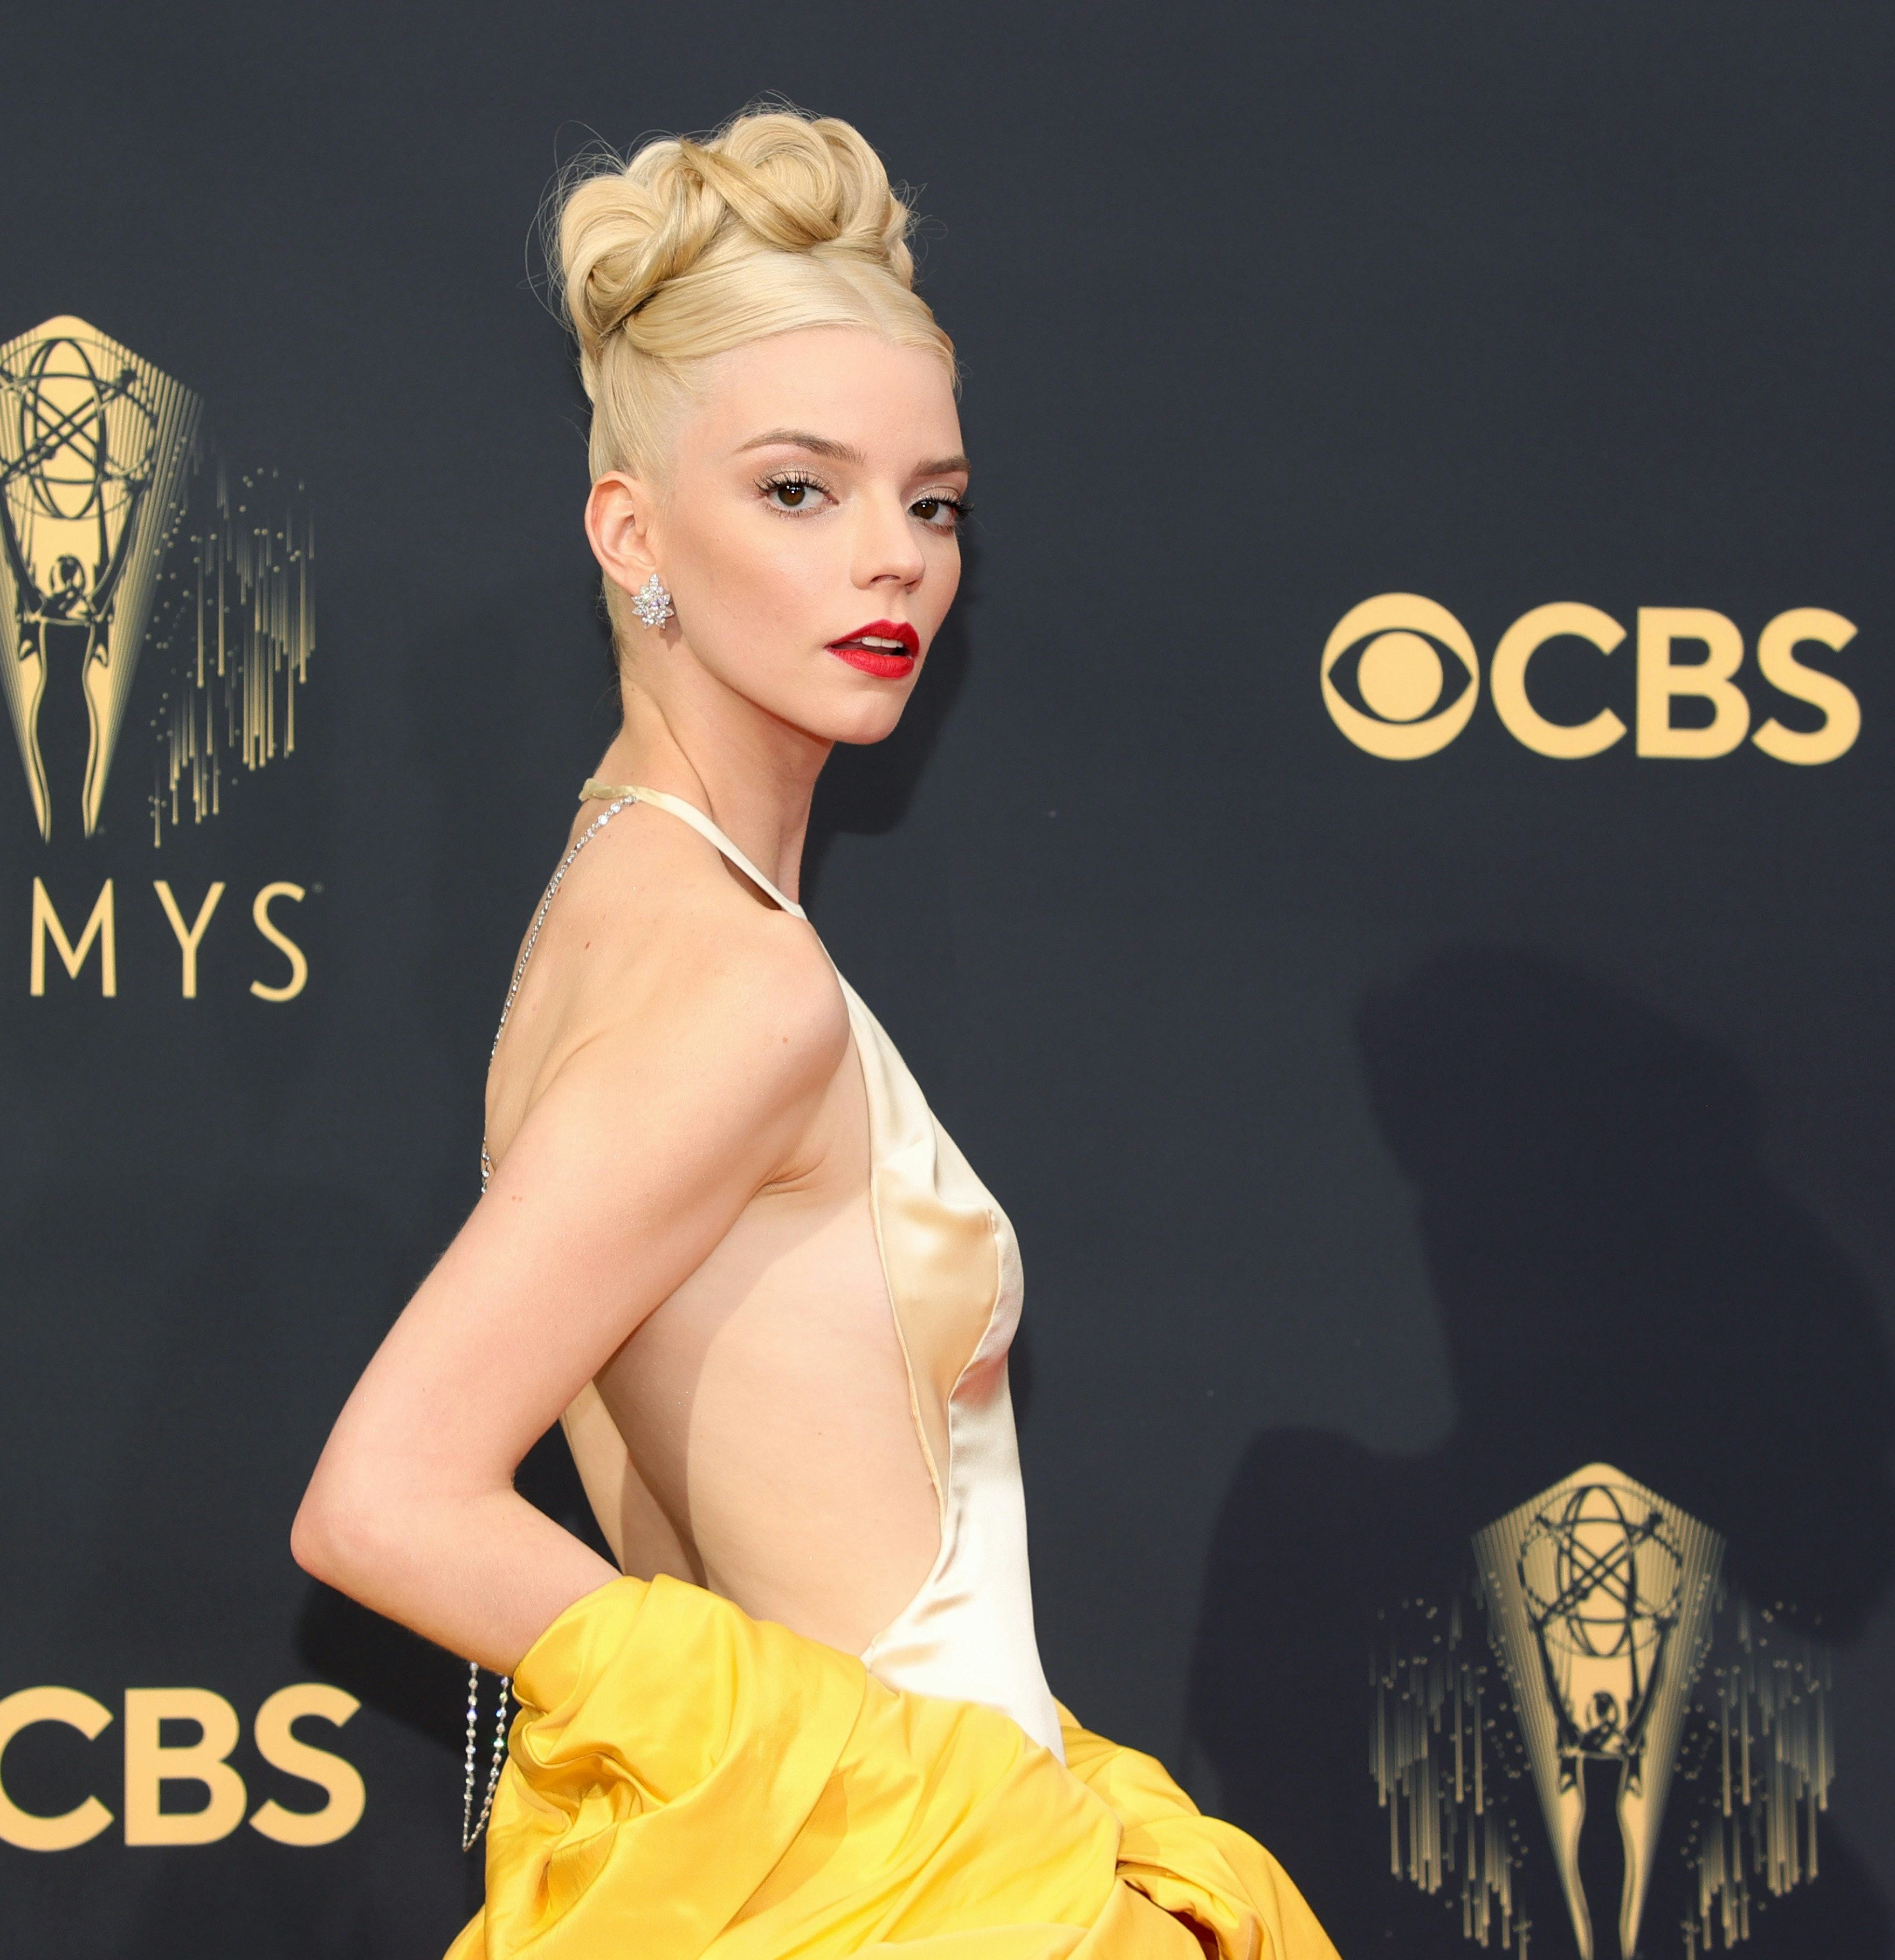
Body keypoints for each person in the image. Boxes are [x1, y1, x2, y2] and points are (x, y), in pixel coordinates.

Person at [291, 105, 1336, 1960]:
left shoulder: (609, 906)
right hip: (927, 1895)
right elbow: (384, 1499)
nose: (894, 561)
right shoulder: (737, 983)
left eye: (931, 503)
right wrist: (899, 1801)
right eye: (799, 490)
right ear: (633, 530)